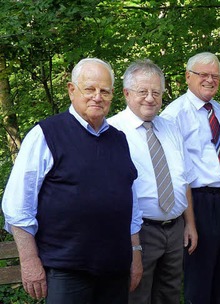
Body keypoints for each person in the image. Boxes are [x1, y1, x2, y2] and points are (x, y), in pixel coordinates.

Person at [1, 58, 142, 303]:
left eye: (105, 91)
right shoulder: (46, 134)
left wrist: (136, 253)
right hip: (66, 270)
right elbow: (17, 206)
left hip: (115, 269)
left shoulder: (119, 140)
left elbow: (132, 206)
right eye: (89, 89)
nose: (97, 97)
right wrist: (30, 261)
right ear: (71, 90)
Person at [108, 59, 198, 303]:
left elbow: (184, 180)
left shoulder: (171, 128)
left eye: (156, 92)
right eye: (142, 91)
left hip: (175, 228)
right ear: (127, 93)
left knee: (169, 295)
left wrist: (190, 224)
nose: (150, 98)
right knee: (136, 295)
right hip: (138, 231)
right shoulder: (112, 131)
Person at [161, 52, 220, 304]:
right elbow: (175, 173)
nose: (209, 80)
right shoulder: (174, 115)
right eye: (203, 74)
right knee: (200, 278)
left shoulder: (217, 109)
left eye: (215, 76)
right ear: (188, 77)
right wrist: (189, 222)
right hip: (199, 203)